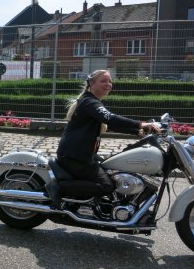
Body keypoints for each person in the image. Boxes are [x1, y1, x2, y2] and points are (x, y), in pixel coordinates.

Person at [53, 69, 160, 202]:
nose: (108, 84)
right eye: (103, 81)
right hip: (75, 157)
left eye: (110, 81)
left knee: (114, 169)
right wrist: (140, 124)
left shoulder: (90, 101)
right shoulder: (89, 102)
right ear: (92, 84)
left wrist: (137, 131)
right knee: (107, 186)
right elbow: (110, 118)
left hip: (83, 154)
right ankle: (59, 188)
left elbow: (109, 125)